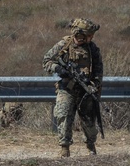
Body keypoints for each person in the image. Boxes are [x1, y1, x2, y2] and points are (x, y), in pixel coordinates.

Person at [42, 18, 103, 157]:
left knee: (89, 120)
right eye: (89, 35)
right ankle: (64, 149)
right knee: (63, 115)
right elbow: (46, 61)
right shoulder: (64, 44)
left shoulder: (92, 49)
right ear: (79, 34)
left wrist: (94, 85)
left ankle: (90, 147)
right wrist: (57, 68)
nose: (91, 38)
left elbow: (99, 71)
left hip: (86, 90)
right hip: (67, 88)